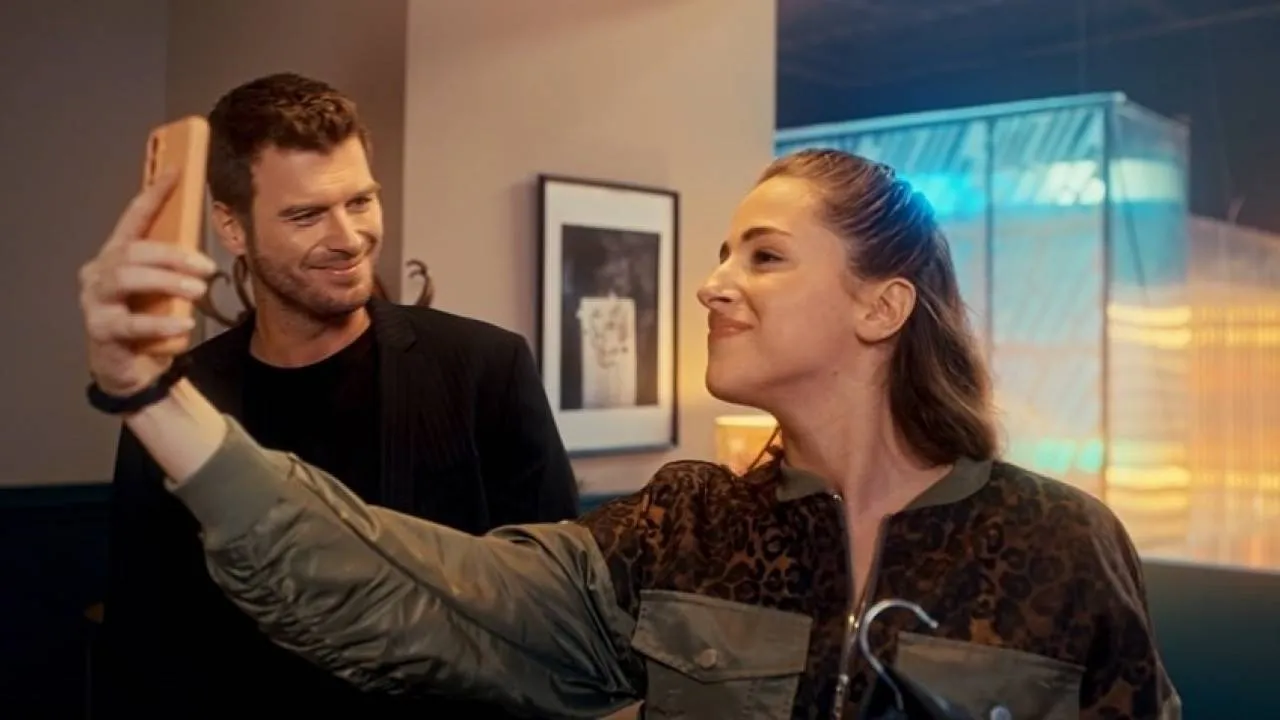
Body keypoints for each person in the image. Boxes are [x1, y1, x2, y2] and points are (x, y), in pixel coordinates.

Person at [80, 148, 1181, 720]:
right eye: (722, 252)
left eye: (763, 255)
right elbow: (397, 585)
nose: (712, 282)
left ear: (880, 306)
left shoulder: (1058, 545)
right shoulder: (681, 529)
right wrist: (153, 395)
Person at [97, 73, 579, 718]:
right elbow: (144, 632)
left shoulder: (485, 368)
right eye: (306, 215)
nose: (348, 237)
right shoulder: (178, 402)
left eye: (360, 202)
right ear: (231, 226)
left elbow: (557, 613)